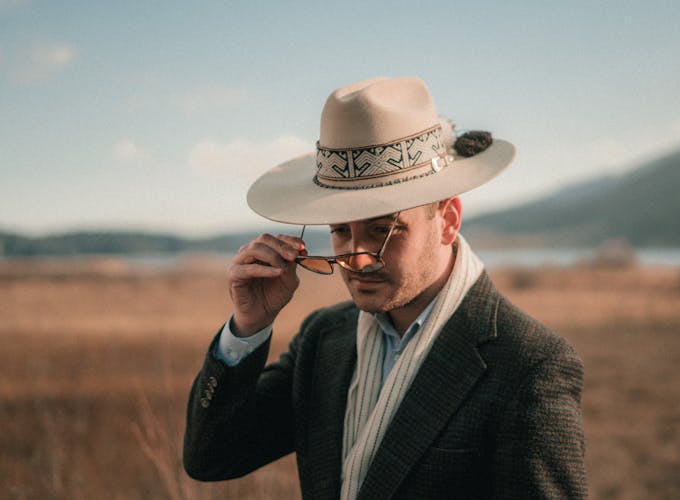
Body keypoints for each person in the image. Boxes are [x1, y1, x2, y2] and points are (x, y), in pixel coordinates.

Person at [183, 76, 587, 499]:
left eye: (382, 229)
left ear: (447, 219)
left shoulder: (530, 365)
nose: (356, 259)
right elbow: (211, 457)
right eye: (341, 230)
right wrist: (248, 326)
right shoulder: (323, 338)